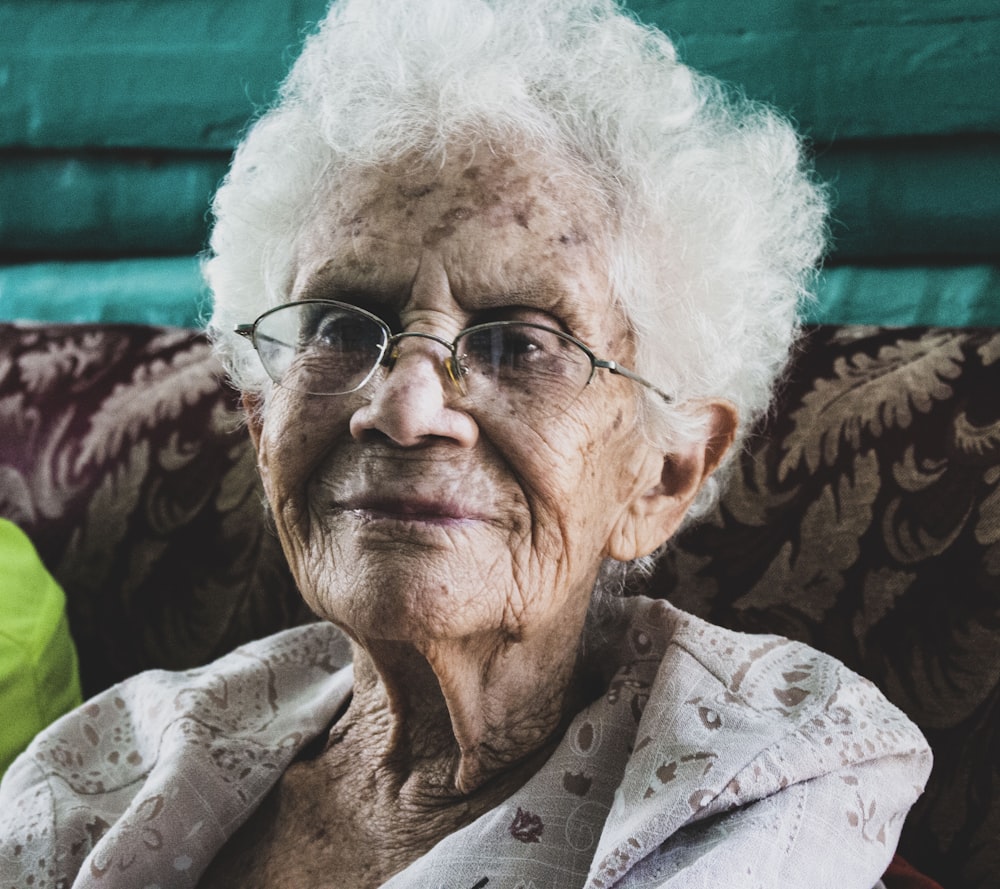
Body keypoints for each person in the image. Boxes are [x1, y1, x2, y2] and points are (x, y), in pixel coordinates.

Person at [0, 1, 931, 886]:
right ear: (261, 419)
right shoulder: (109, 766)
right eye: (338, 324)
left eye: (522, 343)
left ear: (663, 472)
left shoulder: (756, 787)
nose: (404, 410)